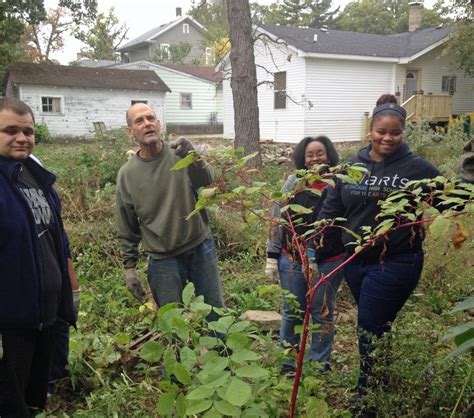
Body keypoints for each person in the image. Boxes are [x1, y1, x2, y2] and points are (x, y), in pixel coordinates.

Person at [318, 94, 441, 408]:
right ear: (370, 130)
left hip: (398, 260)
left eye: (395, 132)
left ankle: (366, 397)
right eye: (381, 131)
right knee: (376, 325)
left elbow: (449, 200)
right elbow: (331, 211)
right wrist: (314, 243)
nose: (388, 138)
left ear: (403, 132)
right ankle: (384, 377)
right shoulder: (351, 166)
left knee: (369, 327)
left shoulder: (418, 168)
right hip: (355, 261)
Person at [0, 97, 76, 416]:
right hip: (10, 321)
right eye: (10, 130)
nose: (22, 138)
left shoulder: (36, 177)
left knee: (32, 398)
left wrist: (71, 292)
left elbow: (59, 240)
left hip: (45, 316)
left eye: (28, 131)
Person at [116, 103, 224, 313]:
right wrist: (130, 268)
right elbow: (126, 225)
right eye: (139, 121)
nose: (147, 124)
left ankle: (218, 346)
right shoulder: (127, 175)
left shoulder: (180, 155)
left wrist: (193, 157)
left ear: (159, 124)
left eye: (150, 118)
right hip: (163, 260)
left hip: (200, 247)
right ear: (130, 132)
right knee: (172, 323)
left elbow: (207, 184)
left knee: (215, 314)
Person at [265, 136, 345, 374]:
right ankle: (289, 363)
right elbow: (277, 217)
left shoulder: (339, 182)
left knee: (323, 313)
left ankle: (319, 364)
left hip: (329, 261)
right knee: (292, 312)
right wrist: (272, 256)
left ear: (329, 155)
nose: (315, 159)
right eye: (309, 155)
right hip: (292, 260)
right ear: (302, 158)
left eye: (320, 153)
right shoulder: (293, 182)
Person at [29, 154, 81, 390]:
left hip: (54, 279)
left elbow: (61, 239)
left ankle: (56, 385)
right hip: (26, 288)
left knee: (59, 327)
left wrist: (73, 284)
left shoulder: (44, 186)